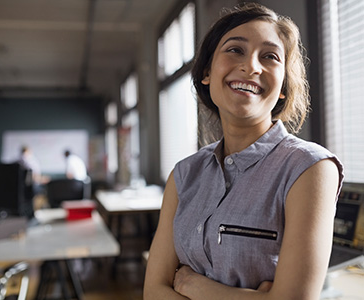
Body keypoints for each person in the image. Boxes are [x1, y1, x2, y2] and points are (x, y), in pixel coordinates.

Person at [143, 3, 344, 300]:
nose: (251, 66)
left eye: (270, 56)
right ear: (207, 72)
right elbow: (153, 292)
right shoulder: (184, 174)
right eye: (235, 50)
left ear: (284, 87)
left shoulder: (309, 168)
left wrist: (191, 285)